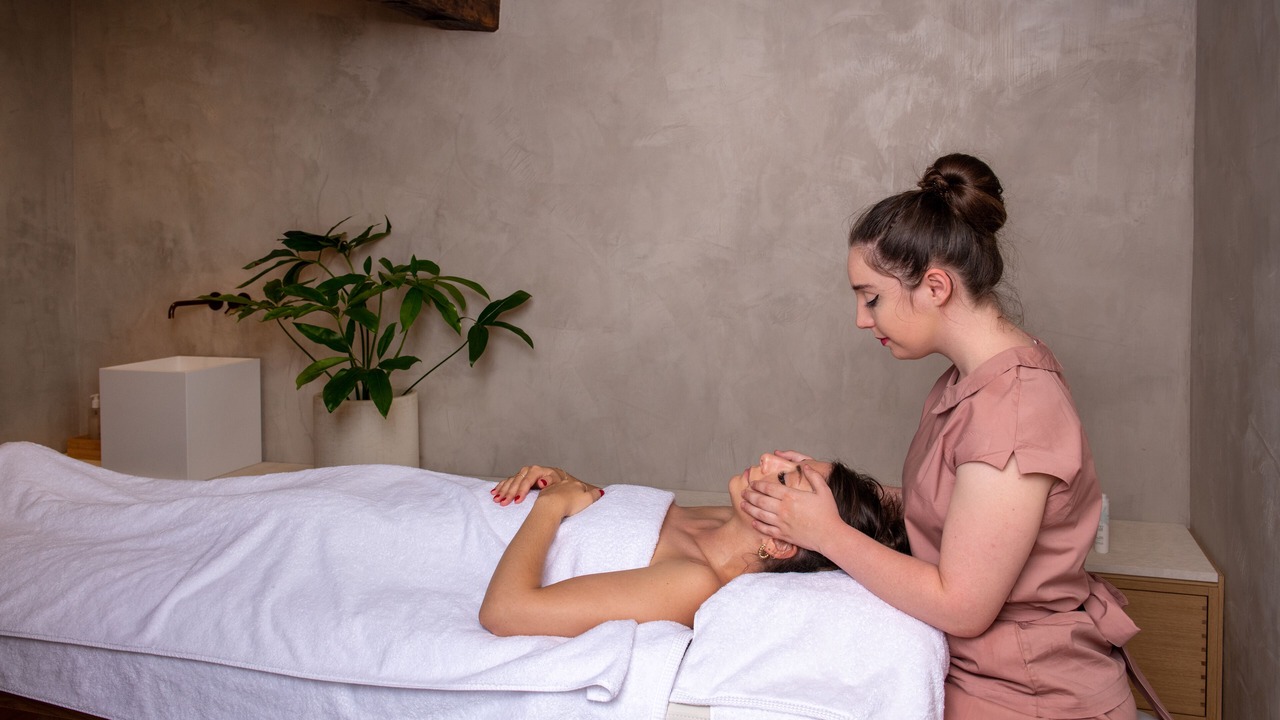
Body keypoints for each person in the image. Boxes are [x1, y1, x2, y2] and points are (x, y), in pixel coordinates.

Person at [740, 154, 1140, 719]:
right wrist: (840, 490)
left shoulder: (1015, 412)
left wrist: (825, 532)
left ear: (935, 286)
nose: (861, 319)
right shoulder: (968, 382)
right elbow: (959, 516)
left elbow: (963, 605)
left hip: (1032, 694)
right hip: (980, 676)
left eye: (871, 296)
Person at [479, 454, 908, 637]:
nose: (769, 460)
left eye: (783, 477)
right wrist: (565, 481)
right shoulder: (721, 518)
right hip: (486, 509)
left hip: (470, 552)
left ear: (779, 543)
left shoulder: (690, 582)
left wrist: (549, 507)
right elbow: (617, 524)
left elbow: (504, 612)